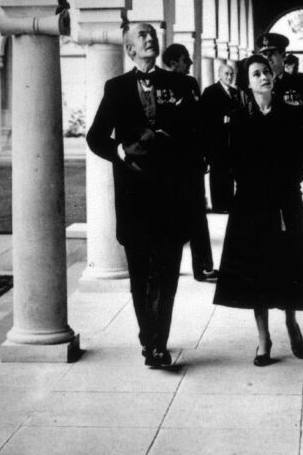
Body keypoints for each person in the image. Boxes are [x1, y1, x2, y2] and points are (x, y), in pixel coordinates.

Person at [87, 23, 202, 368]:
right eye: (142, 35)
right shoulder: (116, 88)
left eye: (152, 33)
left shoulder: (180, 84)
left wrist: (172, 141)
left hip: (170, 196)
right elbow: (95, 137)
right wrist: (121, 151)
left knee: (167, 274)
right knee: (140, 274)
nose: (150, 38)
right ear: (130, 49)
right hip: (133, 197)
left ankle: (157, 343)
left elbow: (195, 134)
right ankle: (148, 337)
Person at [214, 54, 303, 366]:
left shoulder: (290, 115)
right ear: (247, 83)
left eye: (266, 72)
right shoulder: (238, 118)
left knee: (288, 264)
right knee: (254, 270)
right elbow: (233, 162)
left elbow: (300, 160)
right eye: (256, 74)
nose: (264, 77)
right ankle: (263, 338)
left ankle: (291, 320)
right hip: (251, 203)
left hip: (285, 200)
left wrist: (284, 186)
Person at [162, 43, 218, 283]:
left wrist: (205, 154)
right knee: (170, 216)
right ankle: (169, 267)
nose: (191, 63)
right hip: (170, 163)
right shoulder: (160, 84)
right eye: (186, 59)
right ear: (173, 62)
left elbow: (201, 120)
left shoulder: (191, 83)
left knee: (197, 213)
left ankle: (203, 266)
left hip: (192, 161)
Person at [199, 63, 241, 213]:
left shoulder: (235, 93)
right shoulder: (210, 92)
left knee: (229, 172)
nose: (229, 77)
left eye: (231, 74)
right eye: (226, 74)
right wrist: (221, 120)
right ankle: (219, 205)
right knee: (218, 172)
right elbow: (204, 117)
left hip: (231, 140)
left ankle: (228, 203)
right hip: (216, 140)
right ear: (219, 75)